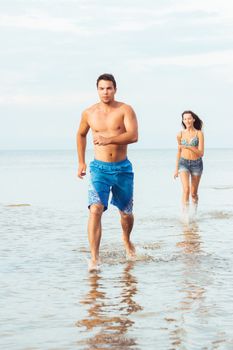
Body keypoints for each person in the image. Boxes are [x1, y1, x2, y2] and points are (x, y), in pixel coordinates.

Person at [76, 73, 138, 272]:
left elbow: (133, 135)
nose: (105, 92)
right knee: (95, 209)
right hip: (99, 169)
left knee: (126, 213)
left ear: (115, 89)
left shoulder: (125, 109)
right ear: (97, 90)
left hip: (122, 168)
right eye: (102, 88)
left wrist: (109, 139)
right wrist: (81, 162)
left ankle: (126, 240)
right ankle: (94, 258)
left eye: (109, 88)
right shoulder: (89, 113)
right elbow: (81, 134)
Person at [174, 110, 204, 219]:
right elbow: (179, 151)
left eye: (189, 118)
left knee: (193, 193)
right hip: (183, 163)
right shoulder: (180, 134)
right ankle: (185, 216)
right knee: (186, 189)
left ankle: (194, 214)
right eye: (185, 119)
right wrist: (176, 169)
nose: (187, 120)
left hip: (197, 164)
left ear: (193, 119)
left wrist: (188, 147)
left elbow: (201, 153)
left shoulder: (199, 133)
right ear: (183, 120)